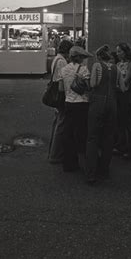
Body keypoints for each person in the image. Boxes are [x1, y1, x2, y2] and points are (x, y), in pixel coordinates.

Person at [85, 45, 118, 184]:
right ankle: (104, 170)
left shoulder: (97, 66)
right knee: (108, 138)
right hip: (112, 103)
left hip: (98, 102)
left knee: (93, 138)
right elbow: (121, 86)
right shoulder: (115, 68)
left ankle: (91, 173)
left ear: (99, 57)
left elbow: (93, 83)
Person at [58, 45, 92, 173]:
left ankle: (68, 163)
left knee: (68, 134)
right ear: (79, 58)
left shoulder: (64, 69)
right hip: (82, 104)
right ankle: (85, 164)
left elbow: (61, 89)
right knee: (81, 133)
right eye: (83, 57)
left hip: (68, 103)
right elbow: (88, 88)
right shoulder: (83, 70)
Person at [48, 39, 74, 164]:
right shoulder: (62, 62)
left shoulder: (56, 59)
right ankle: (55, 154)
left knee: (57, 122)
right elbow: (61, 81)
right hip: (60, 95)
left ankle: (53, 151)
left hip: (56, 94)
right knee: (61, 124)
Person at [115, 42, 131, 160]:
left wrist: (116, 82)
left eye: (120, 51)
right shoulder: (118, 64)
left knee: (128, 122)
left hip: (126, 95)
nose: (118, 54)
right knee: (120, 121)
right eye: (117, 51)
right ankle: (121, 145)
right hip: (118, 94)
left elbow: (126, 80)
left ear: (126, 52)